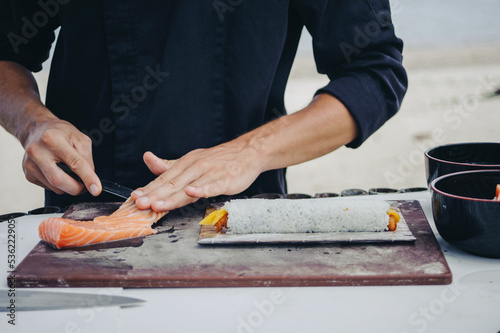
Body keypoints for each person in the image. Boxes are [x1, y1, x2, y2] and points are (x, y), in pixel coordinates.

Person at [0, 1, 407, 212]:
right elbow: (6, 52)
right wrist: (32, 122)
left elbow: (375, 72)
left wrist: (249, 152)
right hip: (86, 206)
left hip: (244, 212)